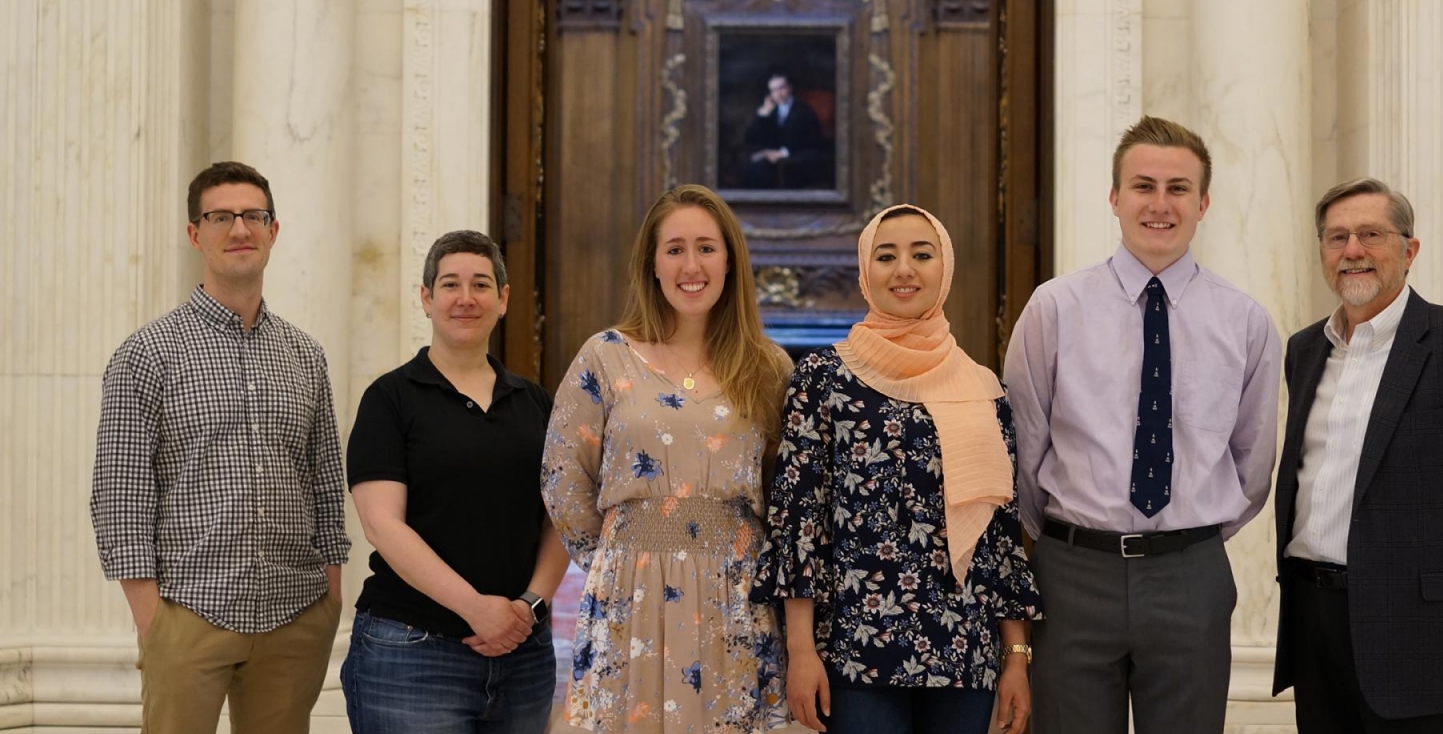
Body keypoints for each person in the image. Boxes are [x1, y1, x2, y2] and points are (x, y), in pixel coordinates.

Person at [1003, 116, 1281, 733]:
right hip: (1073, 573)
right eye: (1143, 186)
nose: (1160, 204)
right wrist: (1063, 538)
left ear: (1203, 203)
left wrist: (1185, 540)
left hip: (1190, 574)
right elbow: (1023, 444)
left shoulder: (1246, 322)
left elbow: (1253, 463)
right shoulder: (1055, 308)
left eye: (1178, 188)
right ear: (1114, 197)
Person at [752, 204, 1042, 734]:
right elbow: (798, 522)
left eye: (922, 255)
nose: (904, 269)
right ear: (866, 271)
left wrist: (1016, 659)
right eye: (886, 256)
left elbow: (1000, 538)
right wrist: (801, 650)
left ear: (944, 268)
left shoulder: (983, 388)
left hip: (964, 652)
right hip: (856, 653)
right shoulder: (823, 378)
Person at [1271, 177, 1443, 733]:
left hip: (1425, 635)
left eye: (1371, 234)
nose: (1352, 250)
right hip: (1315, 623)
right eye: (1337, 237)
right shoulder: (1305, 349)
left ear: (1409, 250)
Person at [90, 161, 349, 734]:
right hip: (188, 613)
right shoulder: (148, 353)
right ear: (194, 233)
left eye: (254, 216)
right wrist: (151, 616)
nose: (239, 229)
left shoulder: (305, 355)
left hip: (295, 613)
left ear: (273, 231)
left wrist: (331, 593)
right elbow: (120, 491)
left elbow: (326, 479)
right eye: (220, 217)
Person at [541, 184, 793, 733]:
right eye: (675, 249)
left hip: (734, 596)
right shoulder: (605, 356)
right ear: (652, 265)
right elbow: (563, 477)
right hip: (630, 594)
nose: (691, 265)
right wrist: (620, 556)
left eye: (706, 248)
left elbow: (786, 491)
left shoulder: (768, 368)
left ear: (729, 261)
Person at [340, 230, 568, 733]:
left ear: (503, 299)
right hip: (411, 654)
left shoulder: (536, 403)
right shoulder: (390, 399)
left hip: (524, 657)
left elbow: (560, 520)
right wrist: (476, 609)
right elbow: (383, 526)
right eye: (450, 285)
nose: (466, 298)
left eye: (481, 284)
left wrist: (529, 607)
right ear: (426, 298)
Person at [742, 73, 827, 189]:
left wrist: (784, 153)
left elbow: (813, 145)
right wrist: (763, 114)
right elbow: (750, 137)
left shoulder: (804, 111)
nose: (778, 94)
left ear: (789, 88)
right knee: (754, 169)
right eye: (773, 90)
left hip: (798, 158)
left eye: (781, 88)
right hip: (772, 159)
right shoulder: (770, 110)